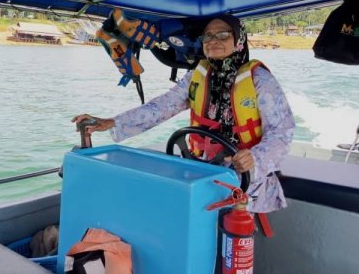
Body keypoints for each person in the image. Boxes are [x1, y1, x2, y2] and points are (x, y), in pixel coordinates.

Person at [72, 15, 294, 213]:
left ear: (239, 40)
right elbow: (162, 107)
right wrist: (112, 122)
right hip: (201, 170)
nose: (213, 40)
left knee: (223, 221)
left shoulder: (260, 80)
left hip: (245, 180)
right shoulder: (196, 76)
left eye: (223, 34)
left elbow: (282, 132)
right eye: (208, 36)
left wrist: (255, 158)